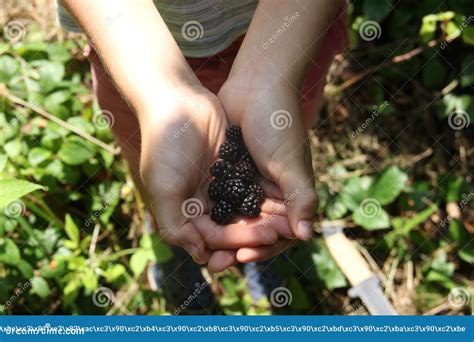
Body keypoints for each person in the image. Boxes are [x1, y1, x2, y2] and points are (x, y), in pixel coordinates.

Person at [58, 0, 348, 311]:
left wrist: (270, 79)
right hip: (132, 52)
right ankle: (173, 245)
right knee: (153, 158)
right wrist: (162, 96)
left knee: (279, 149)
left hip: (292, 42)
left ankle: (260, 250)